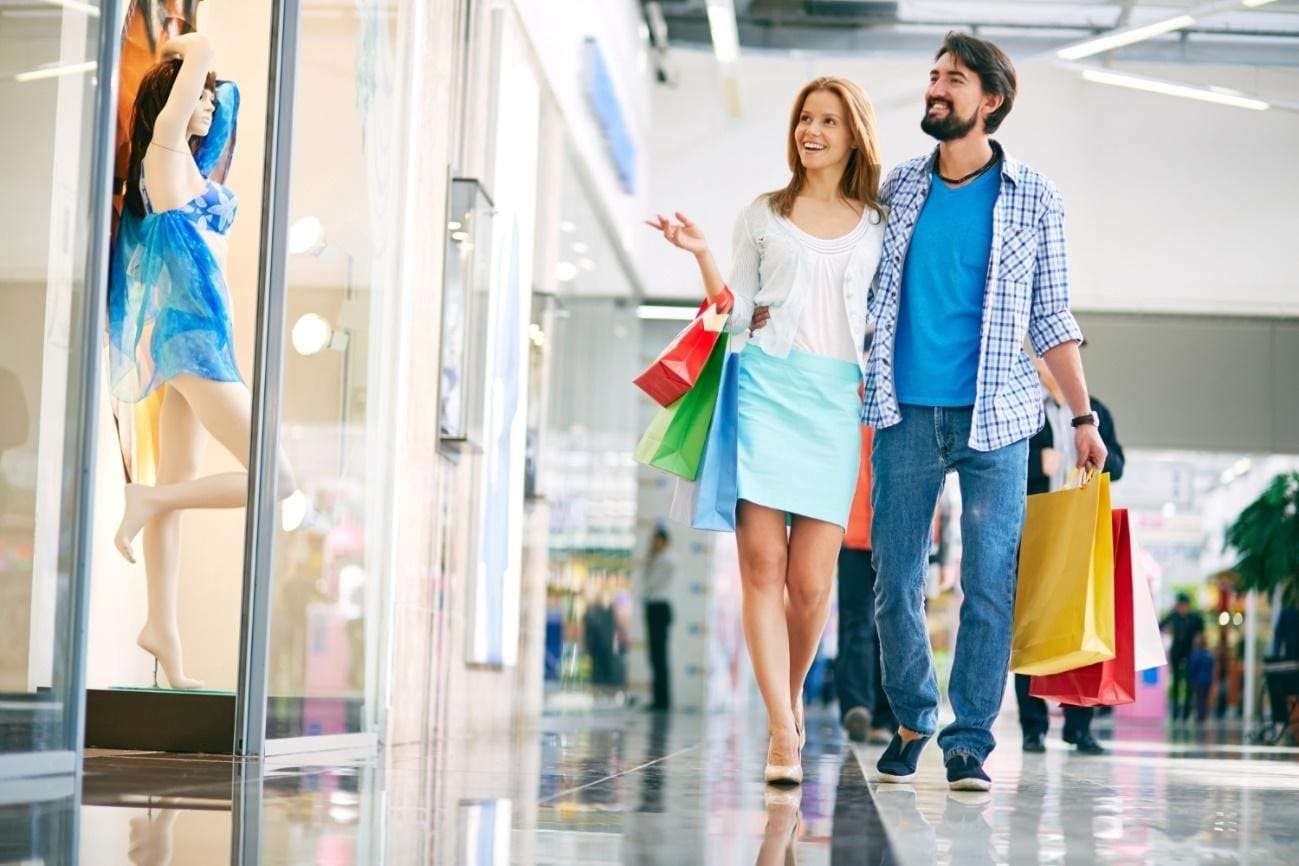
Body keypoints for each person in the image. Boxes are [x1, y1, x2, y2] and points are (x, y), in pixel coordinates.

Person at [863, 32, 1106, 793]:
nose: (935, 89)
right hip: (903, 412)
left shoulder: (1033, 195)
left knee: (990, 583)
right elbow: (851, 284)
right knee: (893, 578)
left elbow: (1050, 315)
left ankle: (968, 740)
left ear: (989, 101)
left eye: (953, 79)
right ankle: (911, 717)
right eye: (933, 76)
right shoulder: (896, 186)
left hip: (999, 418)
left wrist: (1080, 418)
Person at [647, 75, 887, 785]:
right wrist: (698, 253)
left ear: (852, 135)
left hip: (834, 400)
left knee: (812, 586)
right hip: (763, 389)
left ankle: (784, 704)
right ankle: (783, 733)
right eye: (804, 118)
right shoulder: (762, 214)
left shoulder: (877, 220)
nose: (811, 130)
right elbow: (735, 306)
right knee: (762, 568)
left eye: (827, 121)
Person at [107, 32, 293, 690]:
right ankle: (148, 497)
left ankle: (164, 632)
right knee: (277, 481)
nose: (208, 106)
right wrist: (193, 53)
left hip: (195, 340)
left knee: (179, 496)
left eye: (211, 101)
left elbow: (224, 100)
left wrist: (214, 91)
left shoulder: (186, 167)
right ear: (169, 101)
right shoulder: (161, 152)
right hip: (194, 344)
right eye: (198, 97)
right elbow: (205, 48)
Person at [1016, 352, 1125, 756]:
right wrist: (1039, 466)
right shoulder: (1026, 410)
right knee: (1030, 626)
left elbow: (1120, 463)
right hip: (1037, 530)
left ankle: (1080, 726)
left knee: (1085, 626)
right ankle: (1033, 727)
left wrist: (1089, 460)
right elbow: (1004, 468)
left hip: (1082, 531)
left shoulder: (1097, 414)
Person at [836, 426, 897, 744]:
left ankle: (885, 715)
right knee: (856, 623)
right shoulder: (847, 405)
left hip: (894, 536)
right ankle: (857, 707)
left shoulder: (903, 404)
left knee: (888, 626)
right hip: (851, 533)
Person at [640, 525, 677, 712]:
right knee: (655, 656)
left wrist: (650, 558)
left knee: (659, 656)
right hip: (654, 608)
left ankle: (662, 700)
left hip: (659, 608)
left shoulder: (666, 559)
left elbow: (652, 584)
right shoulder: (658, 558)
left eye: (656, 539)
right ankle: (659, 698)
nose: (653, 543)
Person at [1160, 593, 1205, 722]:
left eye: (1185, 605)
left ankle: (1186, 712)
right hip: (1176, 652)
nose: (1183, 608)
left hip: (1190, 652)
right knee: (1176, 682)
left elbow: (1201, 632)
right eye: (1180, 605)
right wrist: (1168, 629)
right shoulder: (1173, 616)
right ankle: (1174, 712)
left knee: (1189, 682)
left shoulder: (1195, 618)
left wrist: (1198, 640)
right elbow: (1161, 625)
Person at [1188, 633, 1215, 724]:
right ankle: (1203, 715)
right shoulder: (1208, 654)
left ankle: (1200, 716)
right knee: (1204, 698)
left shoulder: (1195, 654)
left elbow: (1192, 668)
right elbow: (1211, 666)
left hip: (1198, 680)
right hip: (1207, 680)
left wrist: (1191, 679)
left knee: (1199, 698)